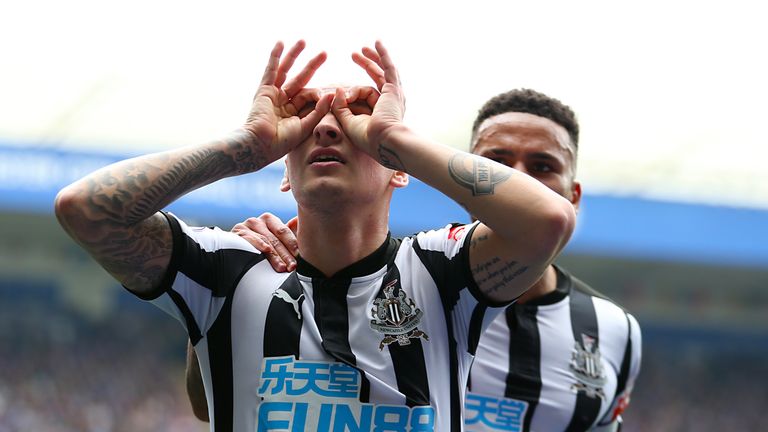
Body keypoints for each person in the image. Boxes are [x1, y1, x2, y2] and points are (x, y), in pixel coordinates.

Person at [54, 40, 576, 432]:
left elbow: (547, 221)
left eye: (355, 121)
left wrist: (393, 137)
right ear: (285, 173)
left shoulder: (442, 270)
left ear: (398, 170)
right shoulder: (230, 267)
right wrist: (245, 146)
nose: (329, 128)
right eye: (307, 120)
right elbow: (84, 210)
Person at [190, 89, 642, 431]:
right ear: (462, 175)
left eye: (542, 166)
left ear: (574, 196)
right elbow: (212, 401)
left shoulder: (615, 332)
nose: (512, 178)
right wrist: (228, 295)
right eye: (496, 162)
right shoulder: (405, 288)